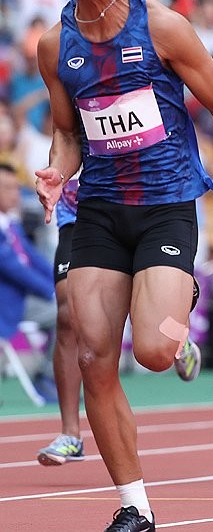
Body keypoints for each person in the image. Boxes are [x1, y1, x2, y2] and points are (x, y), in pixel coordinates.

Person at [34, 0, 213, 532]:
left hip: (165, 208)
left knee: (155, 354)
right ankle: (135, 506)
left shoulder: (162, 26)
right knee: (92, 356)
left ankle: (177, 326)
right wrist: (57, 170)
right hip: (99, 210)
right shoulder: (55, 46)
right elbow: (68, 131)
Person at [35, 177, 85, 466]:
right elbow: (62, 145)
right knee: (66, 314)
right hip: (77, 213)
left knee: (152, 329)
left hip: (136, 204)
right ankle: (70, 434)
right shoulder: (67, 129)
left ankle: (177, 333)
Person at [0, 162, 56, 403]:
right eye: (7, 188)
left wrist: (61, 282)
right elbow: (15, 269)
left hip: (21, 298)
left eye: (15, 187)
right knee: (65, 313)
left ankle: (48, 374)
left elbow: (34, 260)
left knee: (68, 308)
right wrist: (51, 292)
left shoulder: (10, 223)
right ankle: (48, 377)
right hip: (8, 304)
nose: (15, 193)